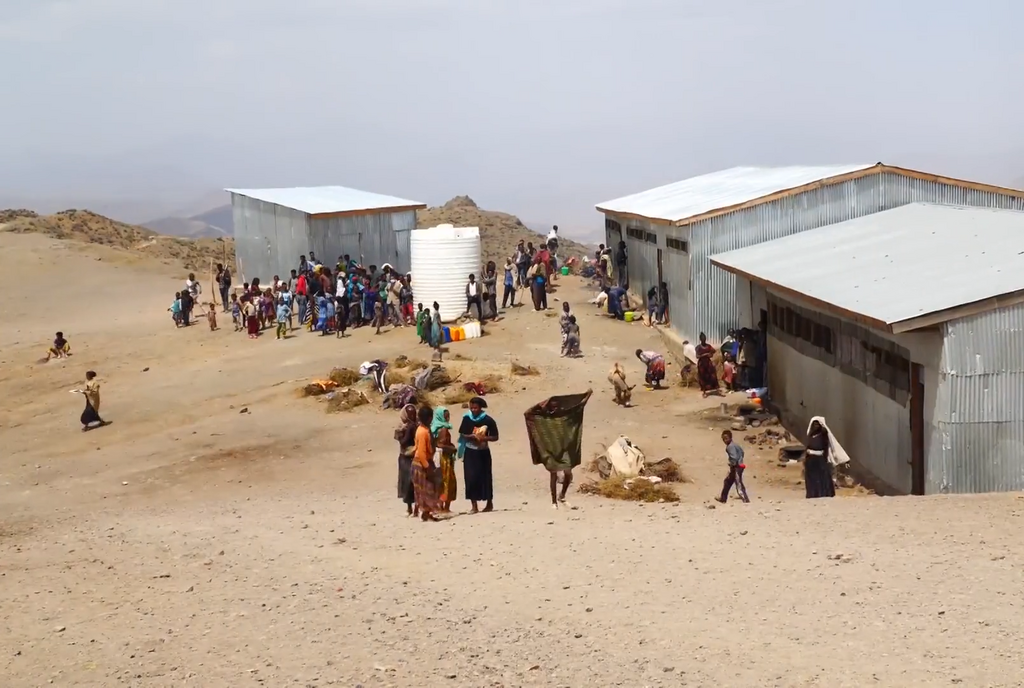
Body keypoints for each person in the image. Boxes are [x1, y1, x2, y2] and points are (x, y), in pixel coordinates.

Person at [458, 397, 498, 513]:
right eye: (471, 408)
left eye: (475, 408)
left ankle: (489, 503)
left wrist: (483, 438)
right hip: (470, 452)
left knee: (486, 477)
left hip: (483, 452)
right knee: (470, 478)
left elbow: (495, 437)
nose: (473, 410)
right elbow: (463, 433)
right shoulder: (467, 418)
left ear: (480, 408)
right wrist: (471, 436)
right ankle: (474, 505)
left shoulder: (488, 420)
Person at [412, 405, 442, 521]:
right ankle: (425, 512)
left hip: (424, 462)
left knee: (428, 488)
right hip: (421, 463)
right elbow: (421, 452)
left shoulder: (424, 429)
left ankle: (427, 512)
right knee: (427, 488)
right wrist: (427, 466)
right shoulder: (422, 432)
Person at [432, 406, 458, 513]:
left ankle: (439, 506)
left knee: (439, 482)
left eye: (448, 416)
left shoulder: (434, 428)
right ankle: (445, 508)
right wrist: (452, 448)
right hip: (444, 458)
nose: (447, 418)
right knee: (447, 482)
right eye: (445, 416)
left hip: (437, 457)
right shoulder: (443, 429)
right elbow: (441, 445)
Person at [395, 404, 418, 516]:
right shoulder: (401, 428)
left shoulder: (418, 425)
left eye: (414, 414)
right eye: (410, 414)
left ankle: (417, 507)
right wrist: (409, 431)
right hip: (405, 457)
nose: (412, 416)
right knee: (407, 482)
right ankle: (409, 507)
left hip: (416, 456)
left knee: (417, 483)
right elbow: (403, 442)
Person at [805, 420, 837, 499]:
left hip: (820, 458)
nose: (816, 426)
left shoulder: (823, 434)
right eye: (814, 424)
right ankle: (813, 493)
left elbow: (825, 446)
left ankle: (824, 493)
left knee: (822, 477)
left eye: (817, 424)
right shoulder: (811, 434)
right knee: (812, 477)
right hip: (811, 459)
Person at [716, 430, 749, 503]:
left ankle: (745, 499)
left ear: (730, 438)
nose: (725, 440)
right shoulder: (735, 445)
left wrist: (732, 463)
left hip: (736, 467)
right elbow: (742, 452)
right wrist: (740, 459)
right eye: (723, 439)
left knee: (738, 483)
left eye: (726, 438)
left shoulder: (730, 447)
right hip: (739, 465)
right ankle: (723, 498)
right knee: (727, 482)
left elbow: (734, 457)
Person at [695, 333, 719, 397]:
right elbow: (697, 356)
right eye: (702, 339)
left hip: (708, 362)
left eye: (704, 339)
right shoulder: (698, 347)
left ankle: (716, 388)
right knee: (702, 377)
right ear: (700, 339)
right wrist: (705, 354)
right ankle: (704, 391)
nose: (704, 340)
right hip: (702, 364)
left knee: (712, 375)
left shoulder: (708, 346)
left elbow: (713, 351)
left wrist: (710, 354)